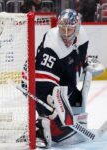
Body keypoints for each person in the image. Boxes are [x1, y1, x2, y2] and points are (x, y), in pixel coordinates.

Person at [32, 9, 103, 148]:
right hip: (41, 78)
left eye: (69, 30)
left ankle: (57, 123)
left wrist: (86, 63)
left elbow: (78, 59)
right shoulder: (52, 46)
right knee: (48, 100)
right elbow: (41, 81)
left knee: (74, 96)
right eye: (62, 29)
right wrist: (50, 106)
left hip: (63, 79)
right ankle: (42, 126)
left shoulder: (82, 35)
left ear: (76, 29)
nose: (65, 34)